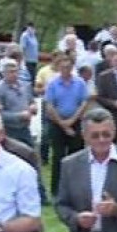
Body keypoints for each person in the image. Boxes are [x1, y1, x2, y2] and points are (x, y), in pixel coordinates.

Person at [45, 56, 89, 196]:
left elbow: (83, 103)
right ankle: (57, 190)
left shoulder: (80, 83)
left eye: (68, 67)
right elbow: (50, 106)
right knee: (58, 157)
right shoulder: (52, 84)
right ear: (58, 68)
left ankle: (75, 188)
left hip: (75, 122)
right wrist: (63, 124)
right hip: (57, 123)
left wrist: (72, 121)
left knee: (76, 156)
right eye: (63, 67)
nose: (66, 70)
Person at [0, 59, 36, 147]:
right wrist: (19, 116)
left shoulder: (25, 86)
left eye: (16, 71)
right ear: (3, 73)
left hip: (25, 128)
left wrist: (33, 106)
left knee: (30, 153)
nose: (14, 74)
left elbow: (31, 101)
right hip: (9, 130)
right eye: (10, 72)